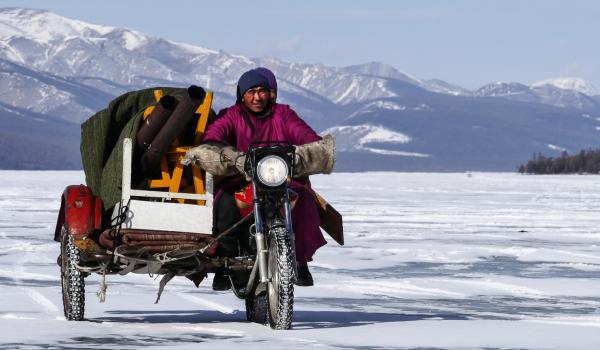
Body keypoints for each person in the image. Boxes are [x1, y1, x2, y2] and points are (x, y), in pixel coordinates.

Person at [183, 69, 334, 290]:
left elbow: (307, 138)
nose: (257, 97)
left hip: (281, 179)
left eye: (262, 91)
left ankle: (300, 261)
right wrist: (232, 157)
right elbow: (213, 138)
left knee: (305, 201)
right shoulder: (231, 115)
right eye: (251, 91)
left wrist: (310, 151)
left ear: (269, 93)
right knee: (224, 203)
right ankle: (226, 263)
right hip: (241, 180)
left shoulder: (283, 114)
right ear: (241, 95)